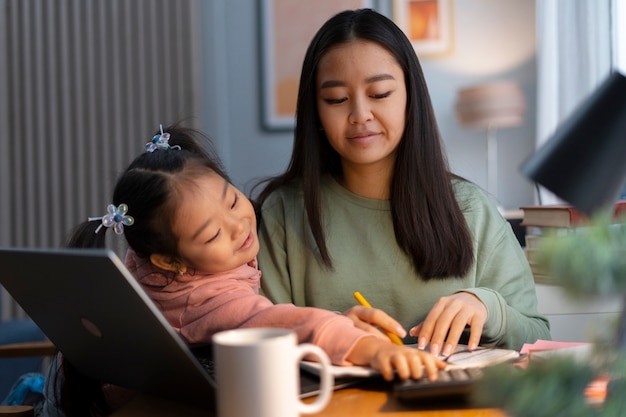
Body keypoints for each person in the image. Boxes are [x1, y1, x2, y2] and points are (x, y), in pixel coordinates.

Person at [46, 124, 444, 417]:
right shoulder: (204, 303)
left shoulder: (147, 262)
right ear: (170, 260)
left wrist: (346, 325)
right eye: (213, 232)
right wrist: (370, 349)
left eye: (233, 201)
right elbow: (282, 321)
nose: (239, 226)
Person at [254, 8, 551, 358]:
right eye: (336, 99)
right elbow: (259, 343)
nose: (360, 114)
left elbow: (538, 337)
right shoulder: (282, 214)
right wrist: (332, 334)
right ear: (315, 111)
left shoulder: (471, 209)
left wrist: (488, 307)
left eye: (379, 93)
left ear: (411, 98)